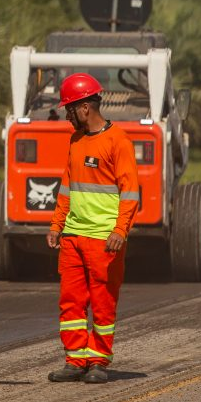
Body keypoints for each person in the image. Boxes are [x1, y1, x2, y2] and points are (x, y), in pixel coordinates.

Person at [45, 73, 140, 384]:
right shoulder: (75, 141)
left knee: (102, 301)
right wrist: (57, 225)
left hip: (104, 240)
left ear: (84, 108)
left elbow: (130, 192)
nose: (67, 116)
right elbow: (67, 187)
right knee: (71, 300)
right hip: (73, 236)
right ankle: (75, 360)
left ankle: (98, 361)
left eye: (69, 110)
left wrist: (120, 231)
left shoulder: (118, 142)